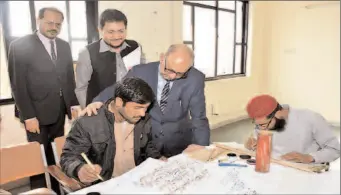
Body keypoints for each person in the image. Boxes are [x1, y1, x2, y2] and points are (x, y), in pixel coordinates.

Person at [80, 44, 210, 158]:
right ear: (162, 58)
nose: (172, 77)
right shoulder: (141, 72)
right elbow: (118, 88)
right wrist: (98, 101)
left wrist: (201, 146)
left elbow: (199, 117)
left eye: (180, 74)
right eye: (169, 70)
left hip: (179, 142)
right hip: (147, 141)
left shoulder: (195, 78)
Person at [7, 7, 79, 191]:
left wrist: (73, 105)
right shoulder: (19, 45)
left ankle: (57, 189)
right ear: (38, 20)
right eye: (49, 22)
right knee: (38, 158)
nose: (54, 27)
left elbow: (68, 78)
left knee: (57, 154)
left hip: (58, 111)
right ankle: (40, 191)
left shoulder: (64, 45)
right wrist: (28, 116)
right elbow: (18, 85)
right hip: (35, 115)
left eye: (58, 24)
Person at [60, 77, 163, 184]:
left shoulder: (143, 119)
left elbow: (147, 146)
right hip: (107, 184)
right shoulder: (88, 122)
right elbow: (68, 157)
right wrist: (79, 169)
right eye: (138, 107)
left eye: (146, 108)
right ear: (119, 102)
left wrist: (158, 158)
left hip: (138, 180)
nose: (142, 113)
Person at [75, 9, 146, 109]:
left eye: (121, 31)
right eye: (111, 32)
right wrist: (88, 111)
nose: (116, 36)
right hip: (101, 109)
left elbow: (143, 77)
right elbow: (81, 88)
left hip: (130, 107)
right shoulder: (87, 53)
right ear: (100, 30)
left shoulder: (136, 47)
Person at [244, 94, 340, 164]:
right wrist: (251, 144)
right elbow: (257, 141)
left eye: (263, 125)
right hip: (273, 169)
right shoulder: (264, 122)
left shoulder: (311, 118)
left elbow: (335, 149)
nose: (261, 129)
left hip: (303, 171)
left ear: (278, 113)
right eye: (257, 125)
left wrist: (310, 157)